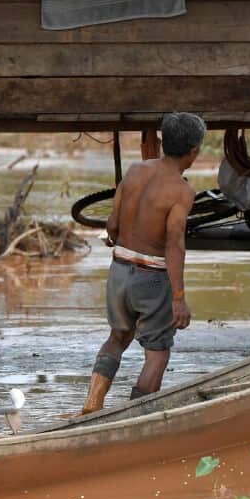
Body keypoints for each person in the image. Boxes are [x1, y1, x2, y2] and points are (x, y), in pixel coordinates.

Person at [79, 112, 206, 415]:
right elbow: (174, 244)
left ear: (163, 142)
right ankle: (135, 420)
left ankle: (91, 407)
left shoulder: (134, 172)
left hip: (119, 271)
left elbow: (111, 226)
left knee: (117, 338)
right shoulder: (182, 191)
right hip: (151, 277)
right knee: (157, 354)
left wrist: (118, 239)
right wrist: (178, 298)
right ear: (194, 151)